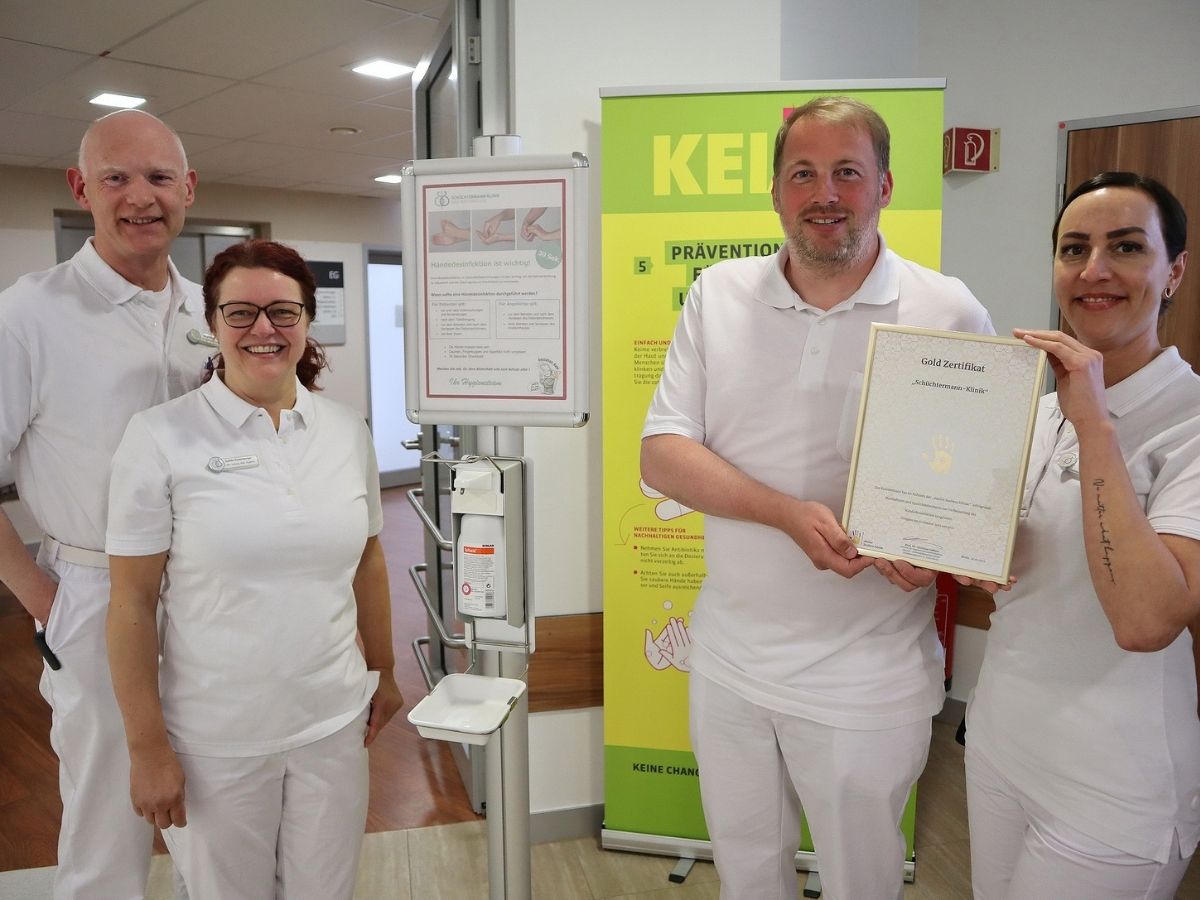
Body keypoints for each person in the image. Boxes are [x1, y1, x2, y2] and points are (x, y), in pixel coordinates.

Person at [640, 95, 994, 900]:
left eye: (847, 173)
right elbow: (662, 453)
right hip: (728, 659)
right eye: (802, 174)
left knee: (862, 882)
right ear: (774, 191)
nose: (824, 194)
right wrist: (787, 515)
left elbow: (979, 484)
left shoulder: (947, 310)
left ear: (885, 186)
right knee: (746, 876)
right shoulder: (718, 294)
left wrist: (939, 553)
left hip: (868, 675)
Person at [105, 239, 402, 900]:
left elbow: (368, 559)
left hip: (333, 724)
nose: (263, 329)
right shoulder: (159, 438)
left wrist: (383, 669)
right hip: (216, 740)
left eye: (282, 312)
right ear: (212, 323)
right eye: (240, 312)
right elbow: (130, 602)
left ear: (306, 320)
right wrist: (147, 749)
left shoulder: (345, 429)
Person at [963, 172, 1200, 899]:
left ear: (1174, 272)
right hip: (1000, 742)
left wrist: (1097, 423)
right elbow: (1030, 569)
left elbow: (1145, 622)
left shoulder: (1189, 423)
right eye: (1074, 249)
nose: (1094, 270)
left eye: (1126, 247)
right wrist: (964, 552)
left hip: (1115, 784)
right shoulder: (1037, 412)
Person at [0, 109, 207, 899]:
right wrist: (43, 598)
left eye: (159, 177)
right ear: (81, 188)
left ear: (188, 189)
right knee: (105, 817)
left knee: (214, 801)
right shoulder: (29, 313)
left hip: (209, 591)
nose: (140, 197)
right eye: (116, 178)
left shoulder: (209, 312)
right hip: (92, 591)